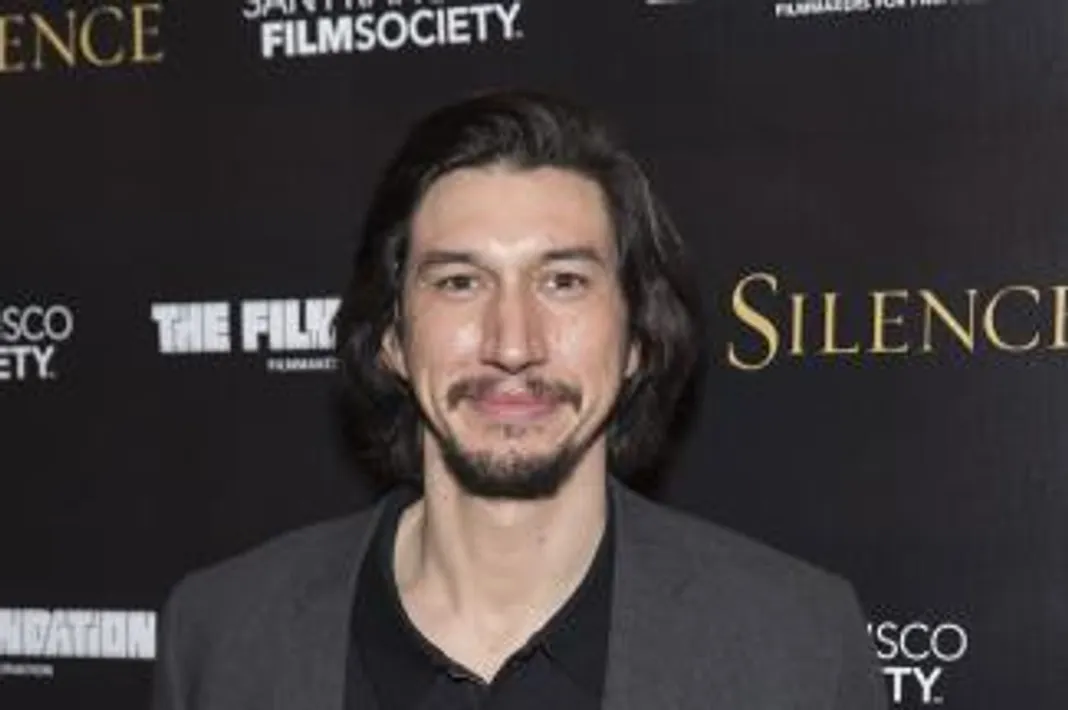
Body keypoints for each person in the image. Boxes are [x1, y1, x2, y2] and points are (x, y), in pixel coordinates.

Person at [151, 90, 888, 710]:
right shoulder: (219, 639)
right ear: (393, 338)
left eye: (563, 281)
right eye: (459, 282)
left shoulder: (799, 652)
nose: (512, 343)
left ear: (638, 338)